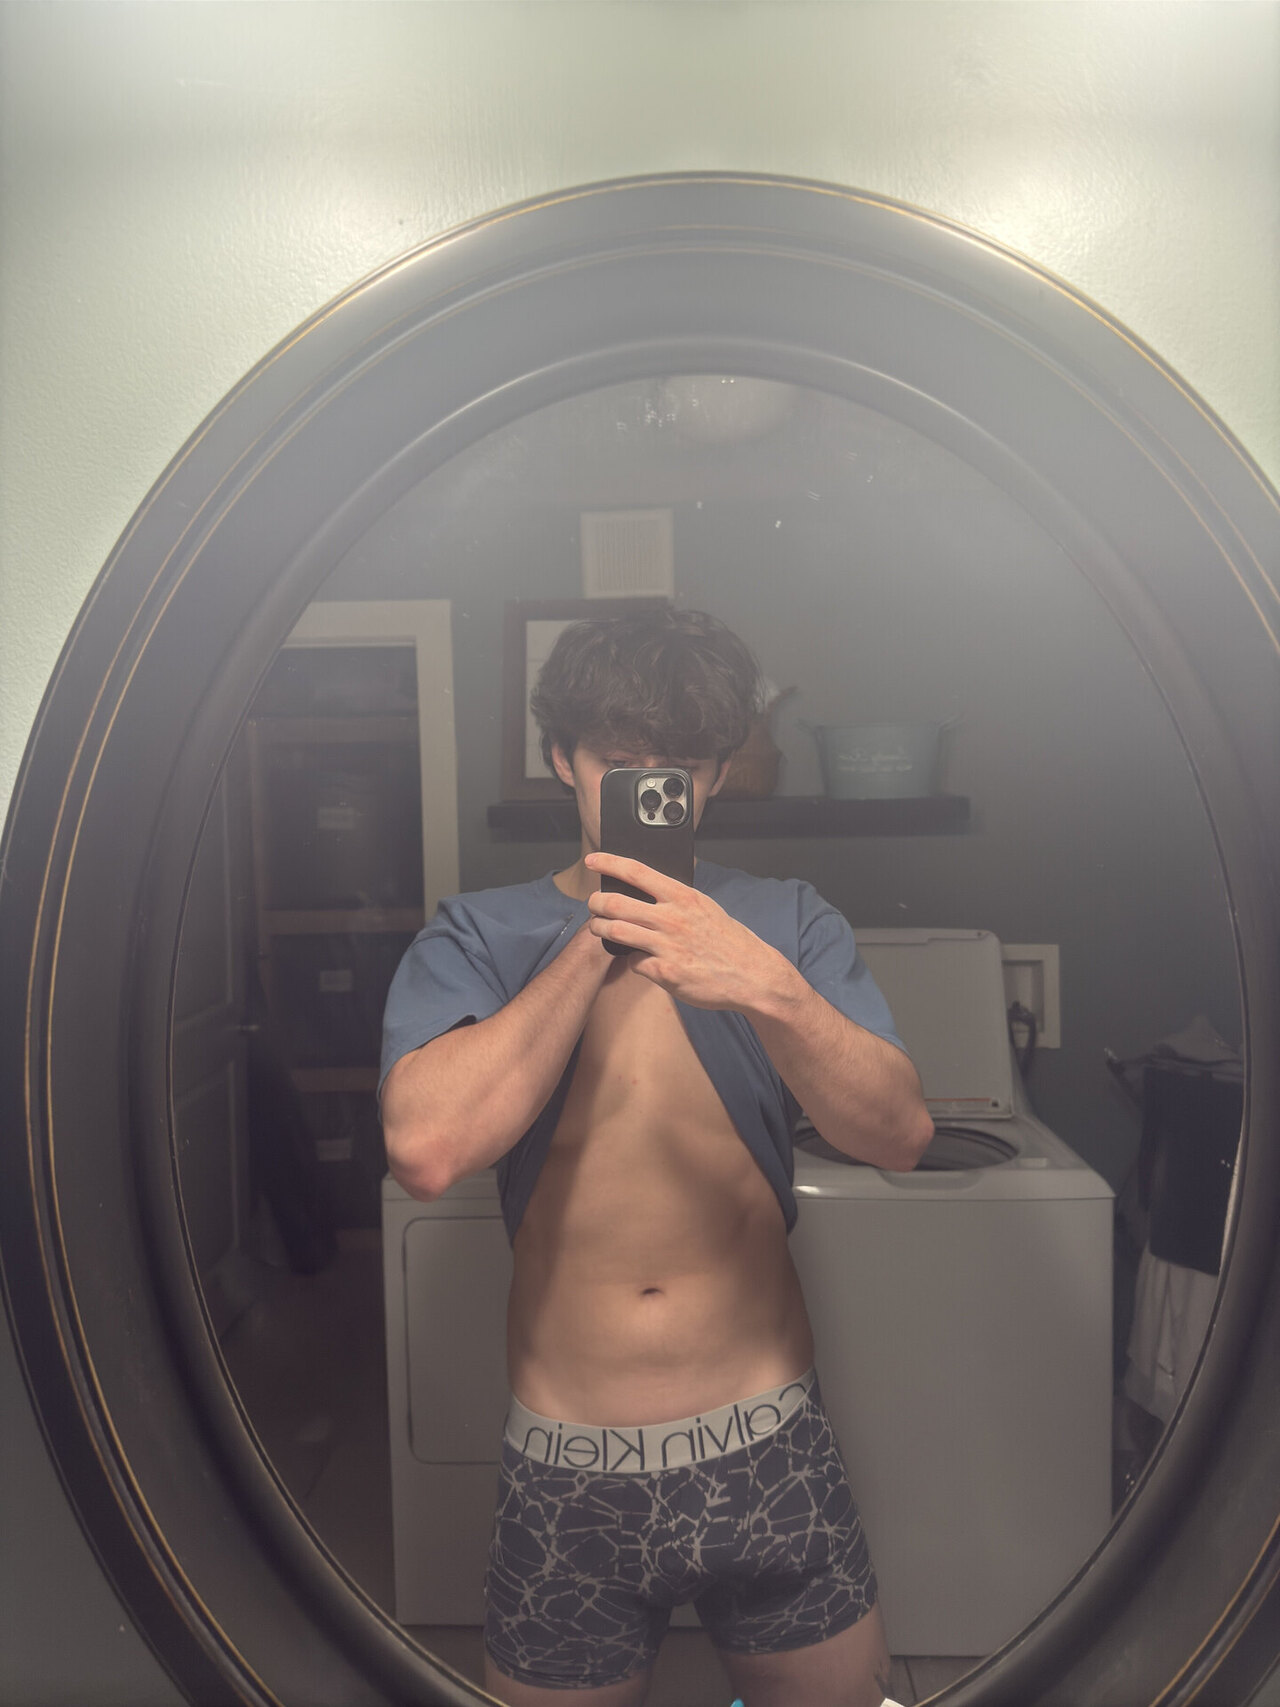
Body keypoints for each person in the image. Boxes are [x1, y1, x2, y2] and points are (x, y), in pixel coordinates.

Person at [380, 608, 933, 1707]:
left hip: (769, 1448)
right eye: (619, 765)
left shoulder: (786, 920)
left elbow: (899, 1136)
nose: (651, 792)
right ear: (562, 760)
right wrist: (605, 932)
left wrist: (768, 985)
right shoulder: (479, 936)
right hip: (567, 1472)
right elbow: (427, 1151)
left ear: (716, 774)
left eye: (676, 769)